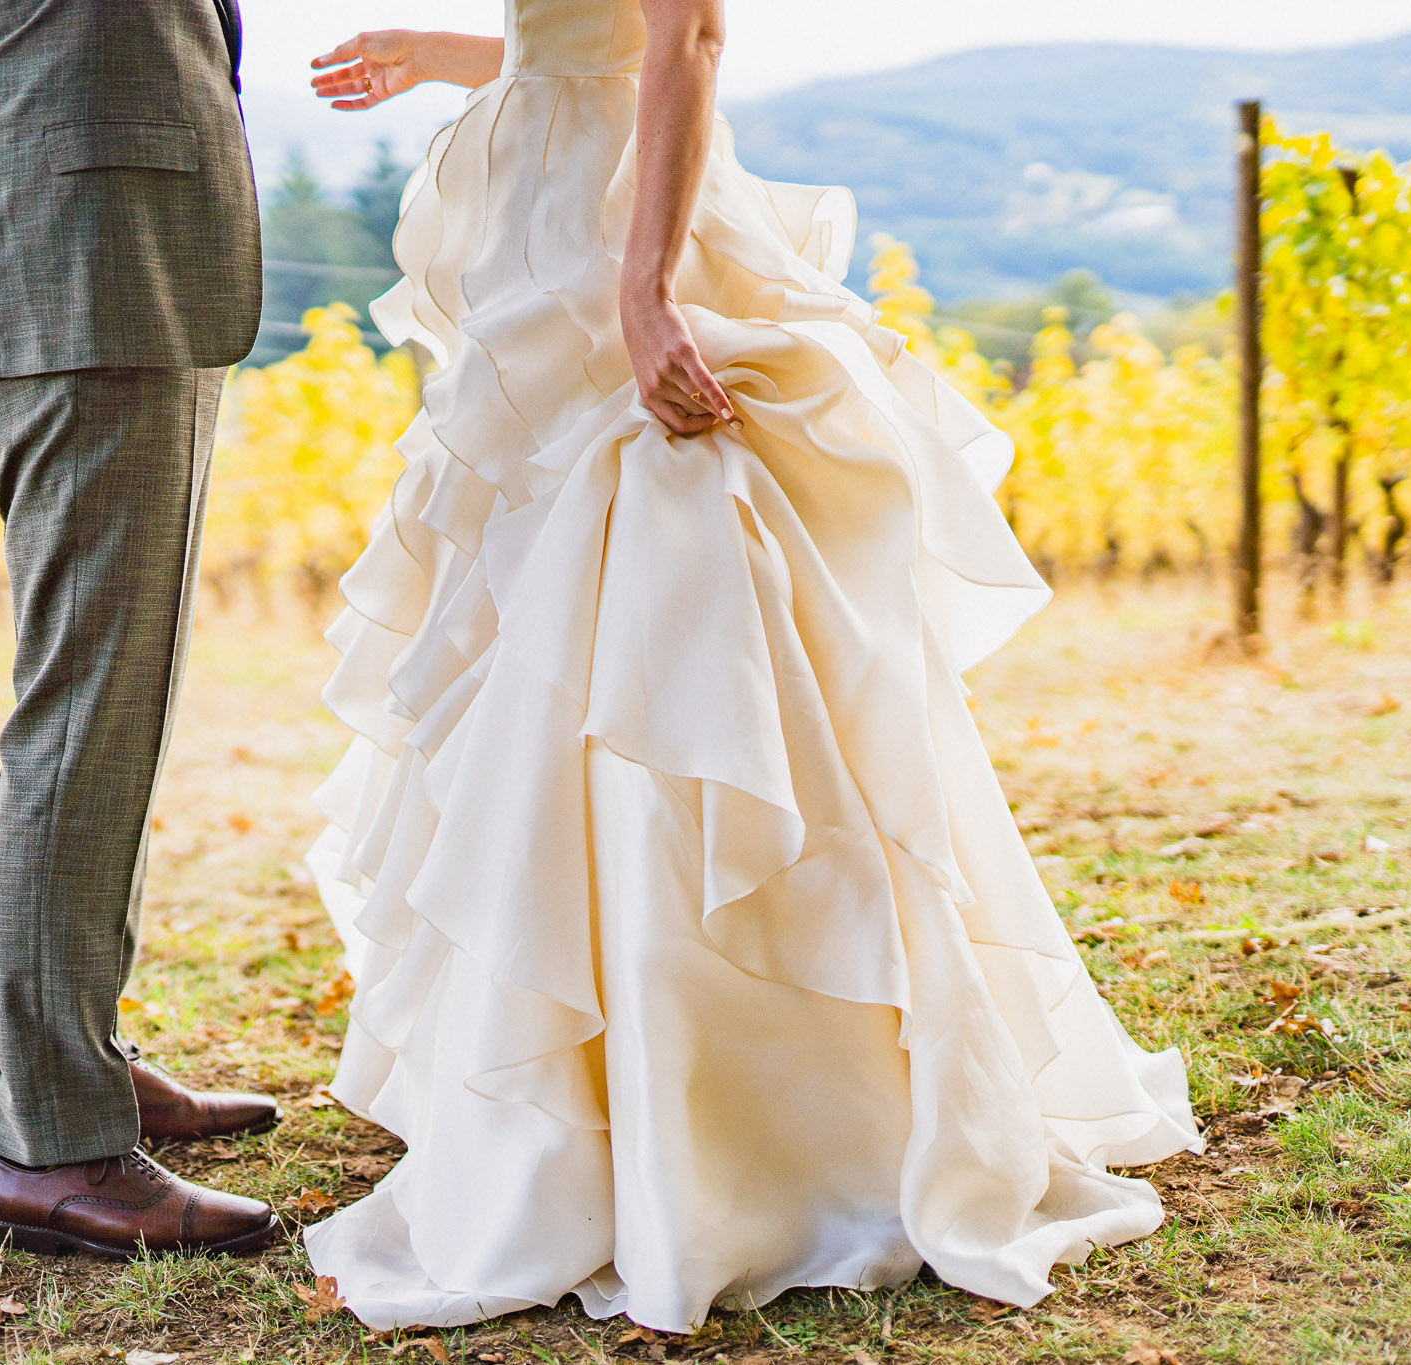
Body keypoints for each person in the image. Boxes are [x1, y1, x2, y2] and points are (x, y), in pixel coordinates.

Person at [298, 0, 1203, 1332]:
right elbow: (591, 42)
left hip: (628, 232)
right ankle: (588, 1102)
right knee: (547, 650)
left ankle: (771, 1118)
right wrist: (451, 58)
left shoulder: (645, 258)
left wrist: (647, 292)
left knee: (685, 612)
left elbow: (688, 38)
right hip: (542, 213)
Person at [0, 0, 282, 1258]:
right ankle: (57, 1145)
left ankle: (76, 1065)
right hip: (90, 278)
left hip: (111, 275)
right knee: (84, 719)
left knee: (111, 717)